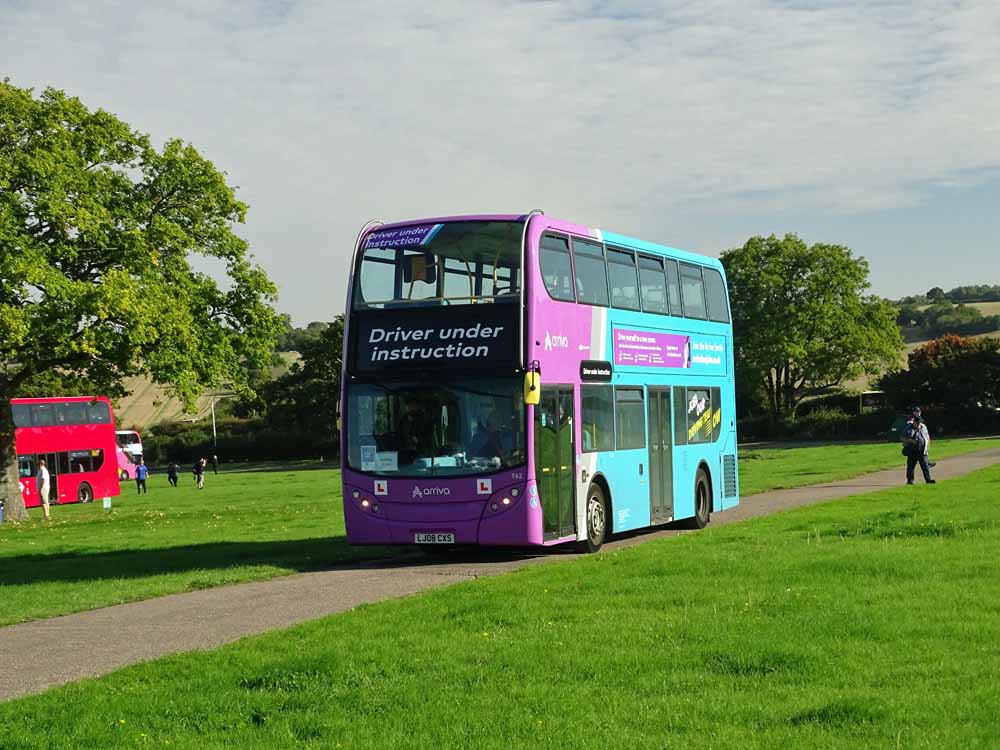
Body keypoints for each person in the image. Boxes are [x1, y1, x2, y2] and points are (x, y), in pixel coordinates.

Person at [902, 414, 935, 485]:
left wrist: (927, 446)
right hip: (912, 451)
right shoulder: (908, 428)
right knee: (910, 467)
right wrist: (910, 441)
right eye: (918, 423)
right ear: (914, 422)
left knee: (925, 466)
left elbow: (927, 436)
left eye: (920, 423)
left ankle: (928, 480)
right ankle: (910, 481)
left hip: (922, 451)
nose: (919, 424)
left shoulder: (923, 427)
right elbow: (902, 438)